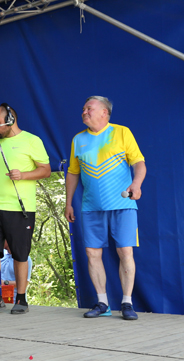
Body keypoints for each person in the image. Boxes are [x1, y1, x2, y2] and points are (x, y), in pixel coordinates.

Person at [65, 96, 146, 321]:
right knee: (92, 253)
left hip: (123, 205)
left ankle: (127, 303)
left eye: (89, 108)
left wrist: (136, 184)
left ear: (104, 112)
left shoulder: (122, 132)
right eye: (83, 108)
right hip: (91, 207)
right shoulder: (78, 139)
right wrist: (68, 203)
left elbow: (139, 163)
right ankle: (102, 303)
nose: (84, 111)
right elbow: (73, 173)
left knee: (125, 252)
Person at [0, 103, 50, 316]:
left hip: (20, 208)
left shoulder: (32, 141)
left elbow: (45, 171)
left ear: (10, 120)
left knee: (19, 253)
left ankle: (21, 299)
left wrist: (23, 175)